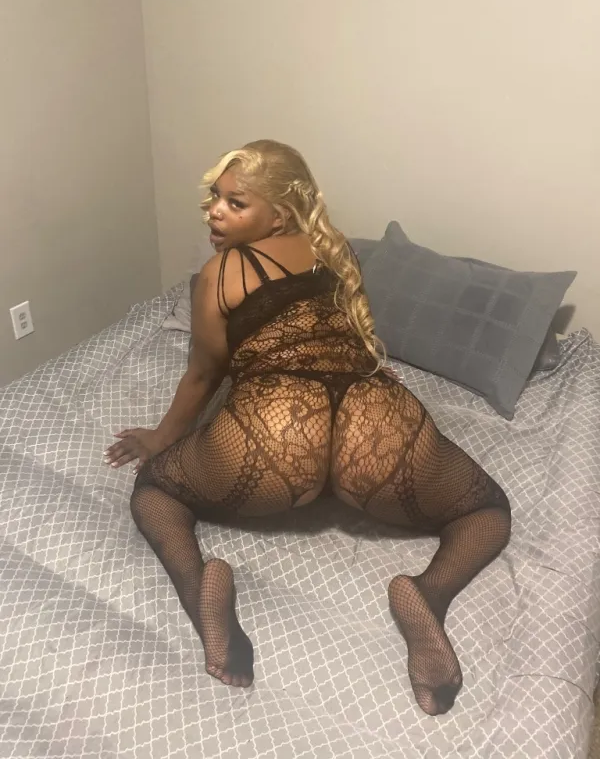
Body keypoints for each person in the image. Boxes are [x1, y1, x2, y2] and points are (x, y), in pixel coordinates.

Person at [104, 139, 511, 716]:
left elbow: (203, 374)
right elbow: (353, 332)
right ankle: (428, 592)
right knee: (485, 512)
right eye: (214, 198)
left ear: (279, 214)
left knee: (155, 493)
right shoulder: (334, 248)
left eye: (235, 203)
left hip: (276, 430)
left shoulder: (219, 273)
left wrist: (160, 438)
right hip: (375, 419)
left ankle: (202, 595)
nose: (214, 212)